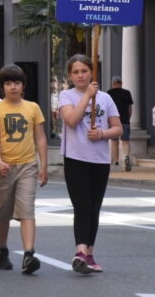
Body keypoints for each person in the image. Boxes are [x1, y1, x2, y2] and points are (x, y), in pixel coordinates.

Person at [59, 54, 122, 274]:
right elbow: (71, 120)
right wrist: (87, 95)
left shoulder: (105, 98)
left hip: (100, 160)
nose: (80, 75)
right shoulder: (66, 95)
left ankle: (90, 254)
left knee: (94, 208)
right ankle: (80, 252)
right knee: (82, 206)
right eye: (75, 72)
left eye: (84, 71)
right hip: (75, 158)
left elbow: (118, 128)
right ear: (70, 75)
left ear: (91, 72)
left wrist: (103, 133)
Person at [0, 64, 47, 275]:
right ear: (2, 86)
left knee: (27, 209)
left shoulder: (33, 108)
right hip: (4, 168)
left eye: (17, 83)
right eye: (8, 83)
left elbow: (40, 138)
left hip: (28, 165)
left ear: (23, 86)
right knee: (3, 213)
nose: (13, 87)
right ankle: (3, 250)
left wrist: (43, 166)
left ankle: (29, 255)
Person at [106, 76, 134, 171]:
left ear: (112, 83)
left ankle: (116, 161)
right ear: (121, 83)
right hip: (125, 121)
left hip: (113, 121)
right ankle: (126, 156)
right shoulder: (127, 93)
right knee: (125, 141)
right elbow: (130, 109)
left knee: (114, 141)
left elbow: (107, 108)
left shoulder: (109, 93)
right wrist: (127, 118)